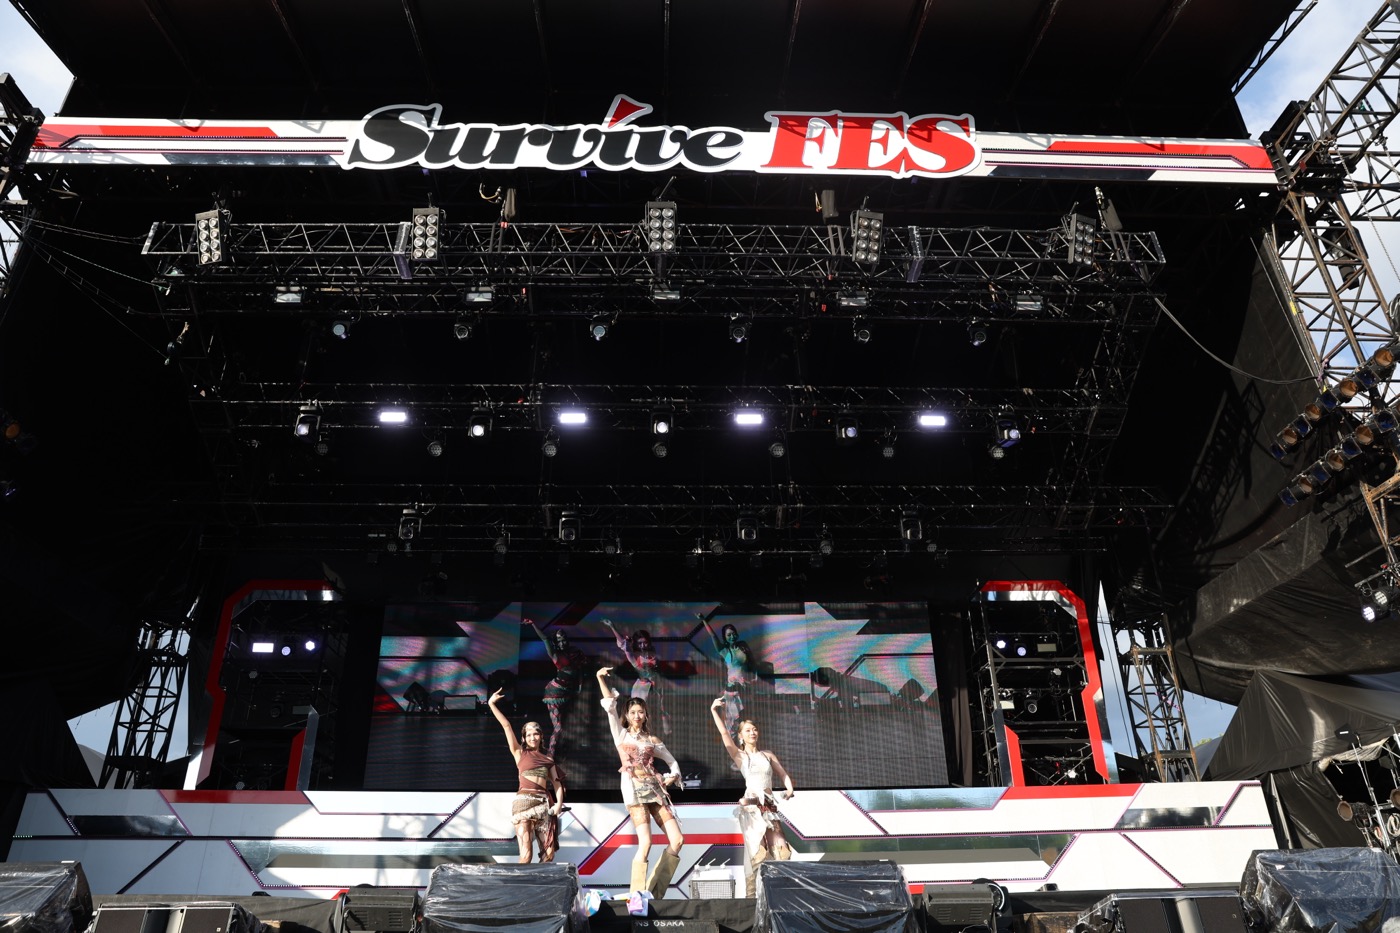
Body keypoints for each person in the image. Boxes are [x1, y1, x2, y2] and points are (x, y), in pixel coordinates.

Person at [597, 665, 685, 898]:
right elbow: (610, 707)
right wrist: (600, 678)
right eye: (633, 712)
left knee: (677, 840)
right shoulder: (621, 734)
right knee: (645, 843)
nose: (637, 716)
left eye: (641, 712)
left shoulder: (652, 740)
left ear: (646, 715)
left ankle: (654, 894)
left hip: (655, 791)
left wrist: (672, 776)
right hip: (634, 790)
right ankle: (637, 897)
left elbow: (673, 763)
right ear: (627, 715)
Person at [709, 697, 793, 896]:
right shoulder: (740, 756)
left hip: (769, 808)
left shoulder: (767, 754)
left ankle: (777, 895)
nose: (752, 732)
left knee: (782, 852)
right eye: (747, 730)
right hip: (752, 809)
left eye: (754, 729)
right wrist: (714, 711)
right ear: (740, 736)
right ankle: (752, 897)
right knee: (757, 853)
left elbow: (783, 774)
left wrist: (789, 788)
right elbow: (724, 734)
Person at [488, 688, 565, 863]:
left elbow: (557, 783)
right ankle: (521, 881)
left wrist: (559, 804)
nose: (532, 737)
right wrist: (492, 704)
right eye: (528, 734)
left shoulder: (548, 759)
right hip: (524, 804)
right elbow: (507, 726)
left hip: (543, 806)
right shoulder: (519, 753)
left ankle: (538, 881)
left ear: (541, 736)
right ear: (523, 738)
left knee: (549, 854)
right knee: (526, 855)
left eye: (536, 733)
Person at [526, 619, 588, 757]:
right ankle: (550, 753)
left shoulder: (575, 652)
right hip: (554, 694)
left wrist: (580, 687)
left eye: (564, 639)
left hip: (568, 693)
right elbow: (545, 639)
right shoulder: (555, 654)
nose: (563, 642)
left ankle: (562, 750)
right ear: (556, 643)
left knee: (566, 725)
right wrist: (533, 624)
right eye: (559, 640)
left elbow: (580, 671)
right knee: (558, 727)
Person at [603, 618, 671, 734]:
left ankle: (661, 733)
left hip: (656, 684)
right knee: (639, 711)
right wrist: (612, 627)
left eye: (645, 642)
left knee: (661, 708)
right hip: (642, 687)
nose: (643, 645)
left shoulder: (653, 652)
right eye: (640, 643)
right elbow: (623, 644)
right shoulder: (634, 656)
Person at [702, 618, 755, 738]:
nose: (732, 636)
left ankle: (743, 745)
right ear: (725, 638)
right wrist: (704, 620)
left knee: (746, 721)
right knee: (734, 722)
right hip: (732, 690)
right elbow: (713, 635)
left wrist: (753, 678)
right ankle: (732, 745)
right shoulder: (724, 651)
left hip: (745, 688)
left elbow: (752, 663)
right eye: (729, 635)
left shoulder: (743, 646)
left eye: (733, 633)